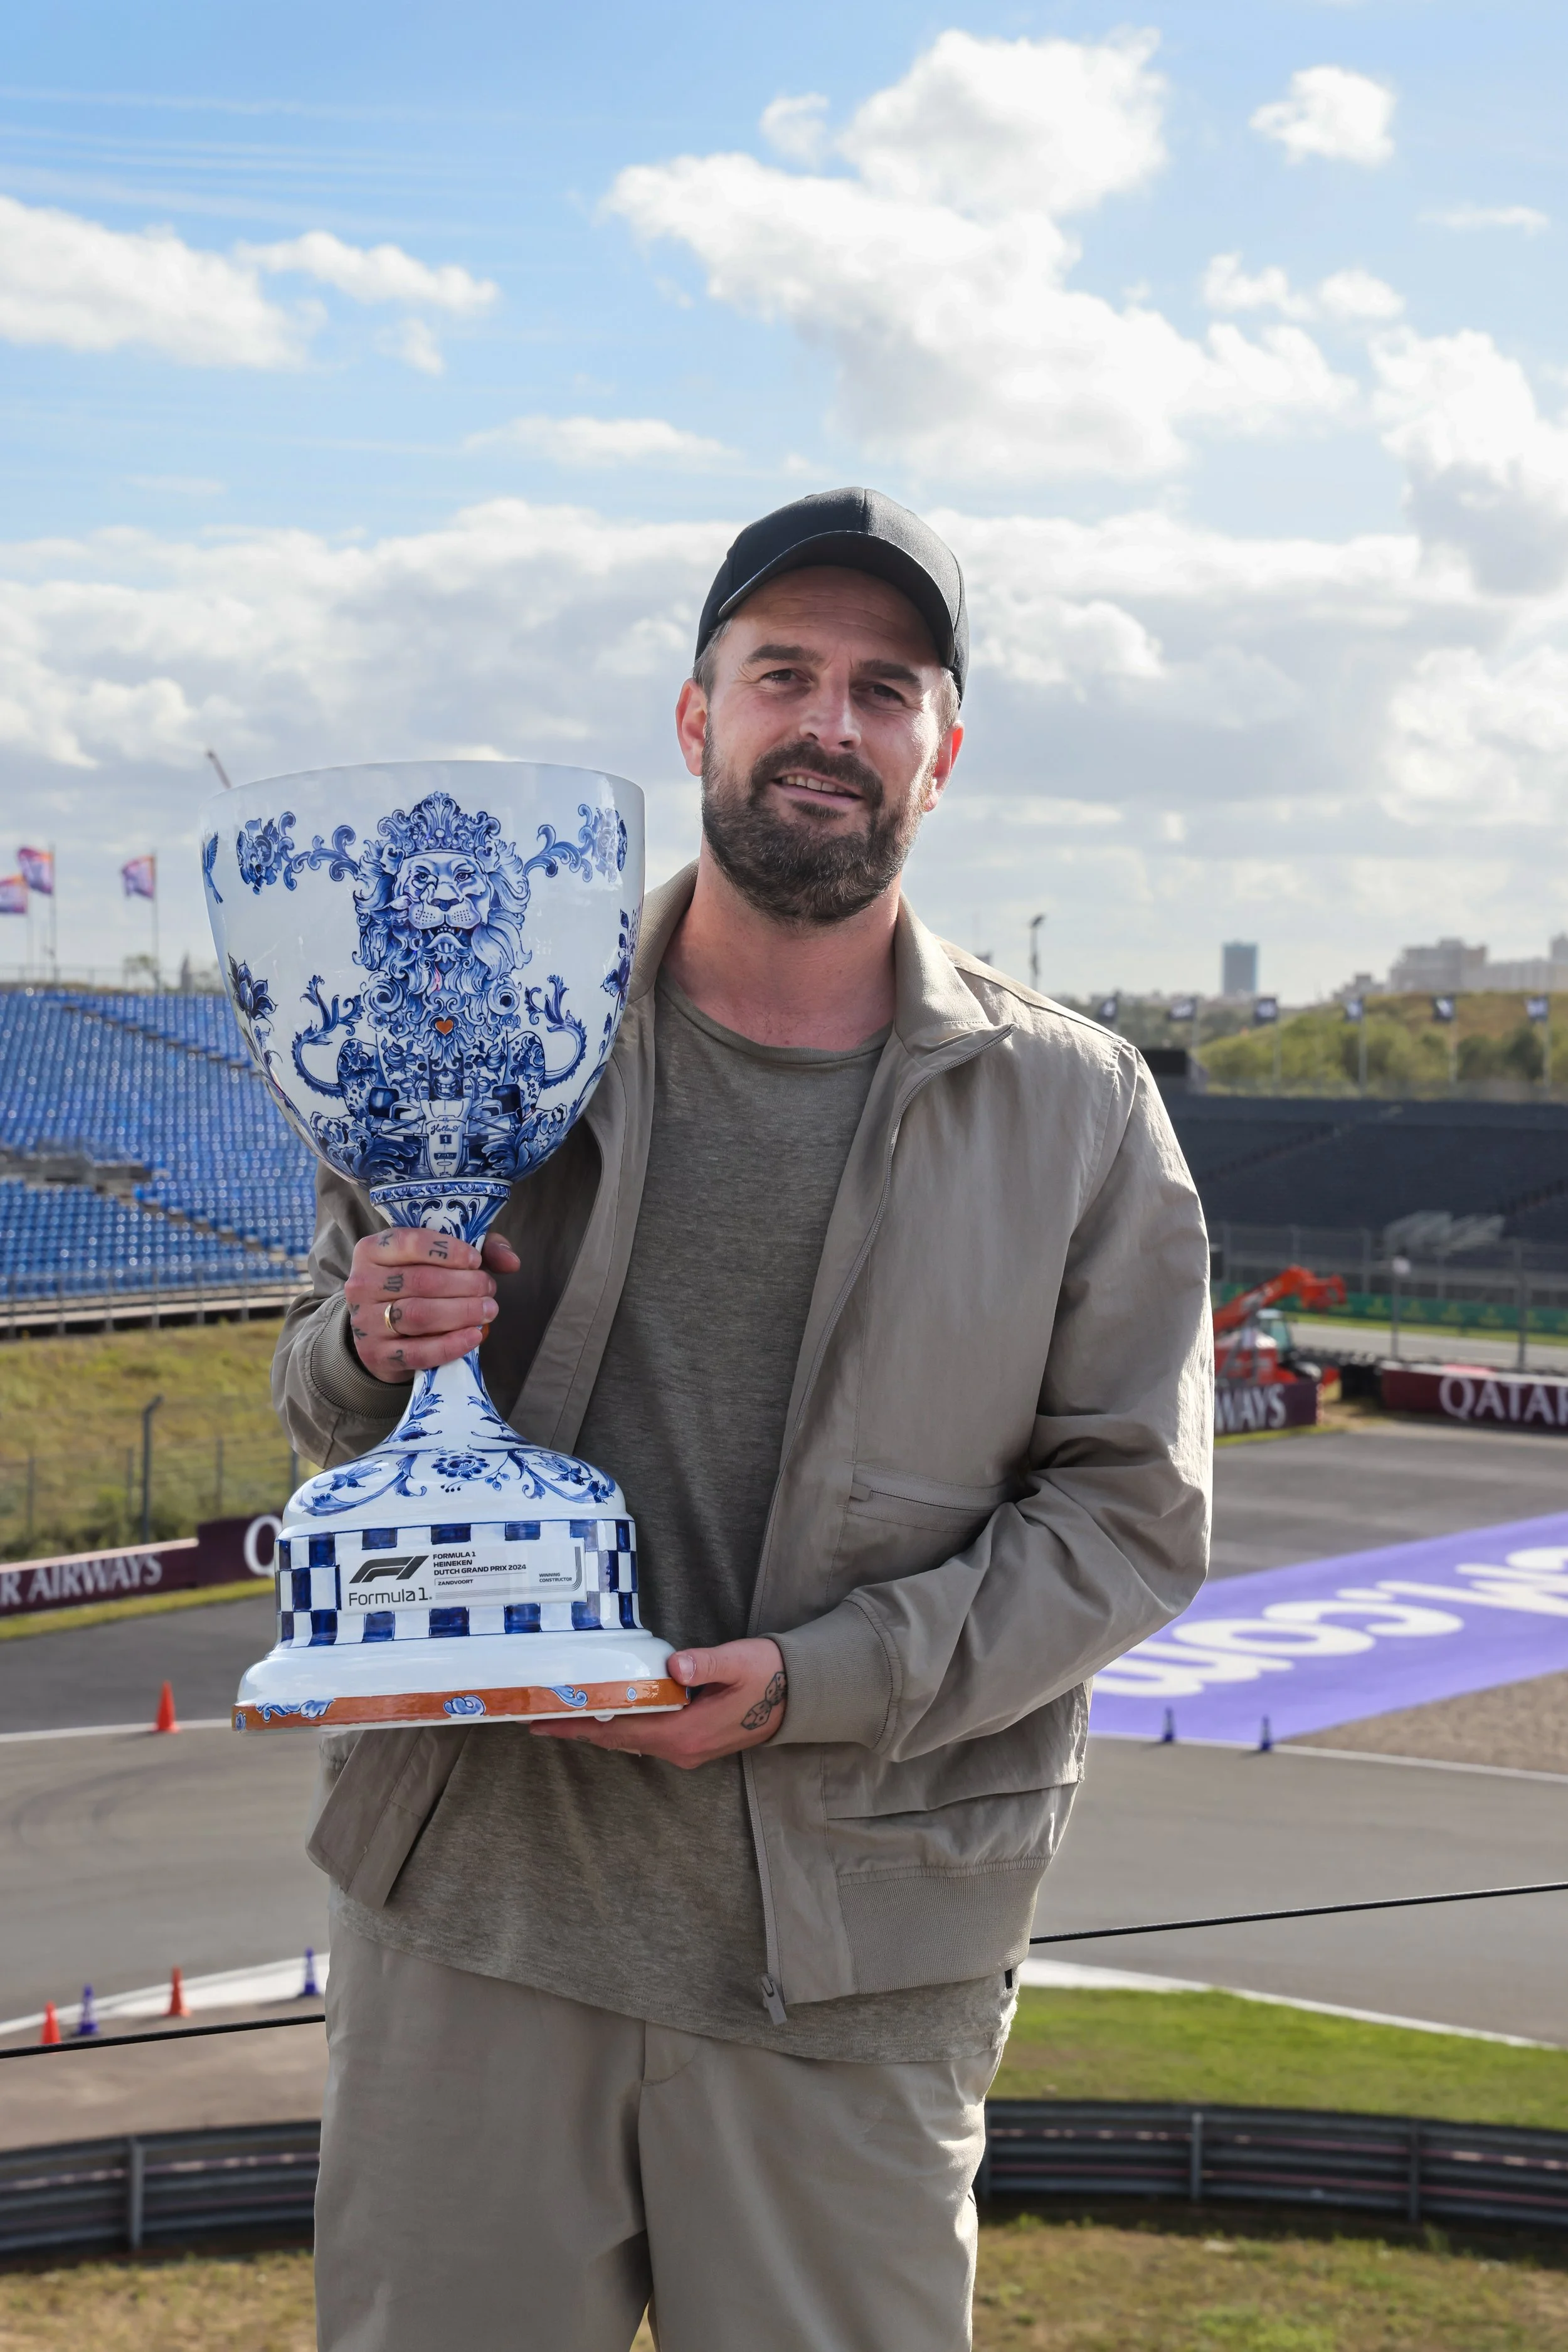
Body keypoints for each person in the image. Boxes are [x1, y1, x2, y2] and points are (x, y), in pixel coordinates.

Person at [275, 486, 1212, 2352]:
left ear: (940, 754)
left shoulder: (1080, 1108)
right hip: (475, 1908)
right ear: (694, 712)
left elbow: (1129, 1521)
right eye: (782, 672)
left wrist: (817, 1676)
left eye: (885, 688)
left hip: (858, 1953)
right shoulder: (471, 1035)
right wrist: (370, 1343)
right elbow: (323, 1407)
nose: (830, 724)